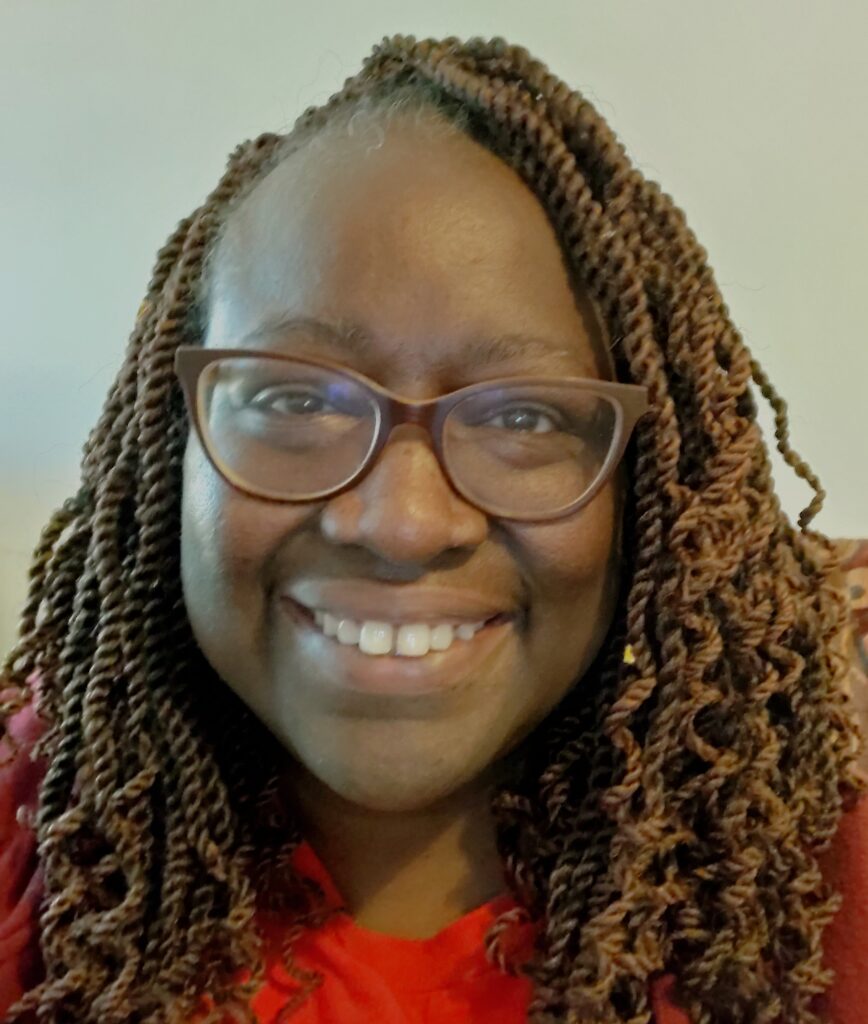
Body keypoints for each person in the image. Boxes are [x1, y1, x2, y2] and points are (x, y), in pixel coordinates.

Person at [0, 33, 865, 1024]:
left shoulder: (802, 878)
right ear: (171, 445)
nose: (403, 523)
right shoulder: (42, 830)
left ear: (651, 491)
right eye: (296, 400)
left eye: (524, 417)